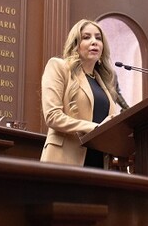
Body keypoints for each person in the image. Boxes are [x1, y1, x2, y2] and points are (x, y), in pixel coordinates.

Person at [40, 19, 118, 168]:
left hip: (98, 162)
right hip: (64, 160)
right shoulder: (59, 67)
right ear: (76, 45)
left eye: (98, 38)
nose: (94, 42)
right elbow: (52, 116)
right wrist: (94, 128)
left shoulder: (104, 82)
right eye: (86, 37)